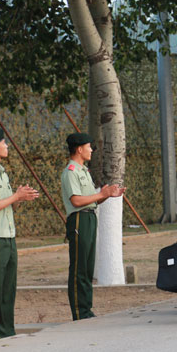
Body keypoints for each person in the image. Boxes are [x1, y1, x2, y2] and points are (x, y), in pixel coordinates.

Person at [61, 132, 125, 321]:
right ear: (79, 149)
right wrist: (101, 194)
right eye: (89, 147)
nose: (91, 151)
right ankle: (80, 312)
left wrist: (108, 195)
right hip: (79, 219)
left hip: (89, 218)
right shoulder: (71, 171)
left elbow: (91, 201)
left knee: (88, 267)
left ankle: (86, 309)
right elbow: (77, 200)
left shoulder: (83, 171)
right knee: (79, 267)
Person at [0, 129, 39, 339]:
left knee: (8, 287)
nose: (7, 146)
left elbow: (5, 202)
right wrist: (15, 196)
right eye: (4, 143)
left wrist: (20, 197)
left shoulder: (1, 172)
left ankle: (7, 331)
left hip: (8, 235)